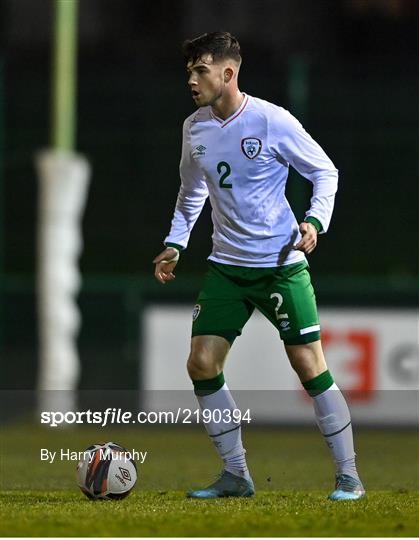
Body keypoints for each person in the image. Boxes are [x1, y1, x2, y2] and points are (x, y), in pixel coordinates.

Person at [153, 31, 365, 501]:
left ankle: (349, 474)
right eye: (188, 70)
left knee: (309, 366)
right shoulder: (195, 128)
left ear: (228, 73)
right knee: (201, 363)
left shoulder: (272, 121)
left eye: (200, 69)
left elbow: (324, 171)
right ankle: (236, 474)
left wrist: (315, 221)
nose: (191, 78)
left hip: (279, 266)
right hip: (226, 267)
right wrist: (175, 243)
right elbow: (192, 191)